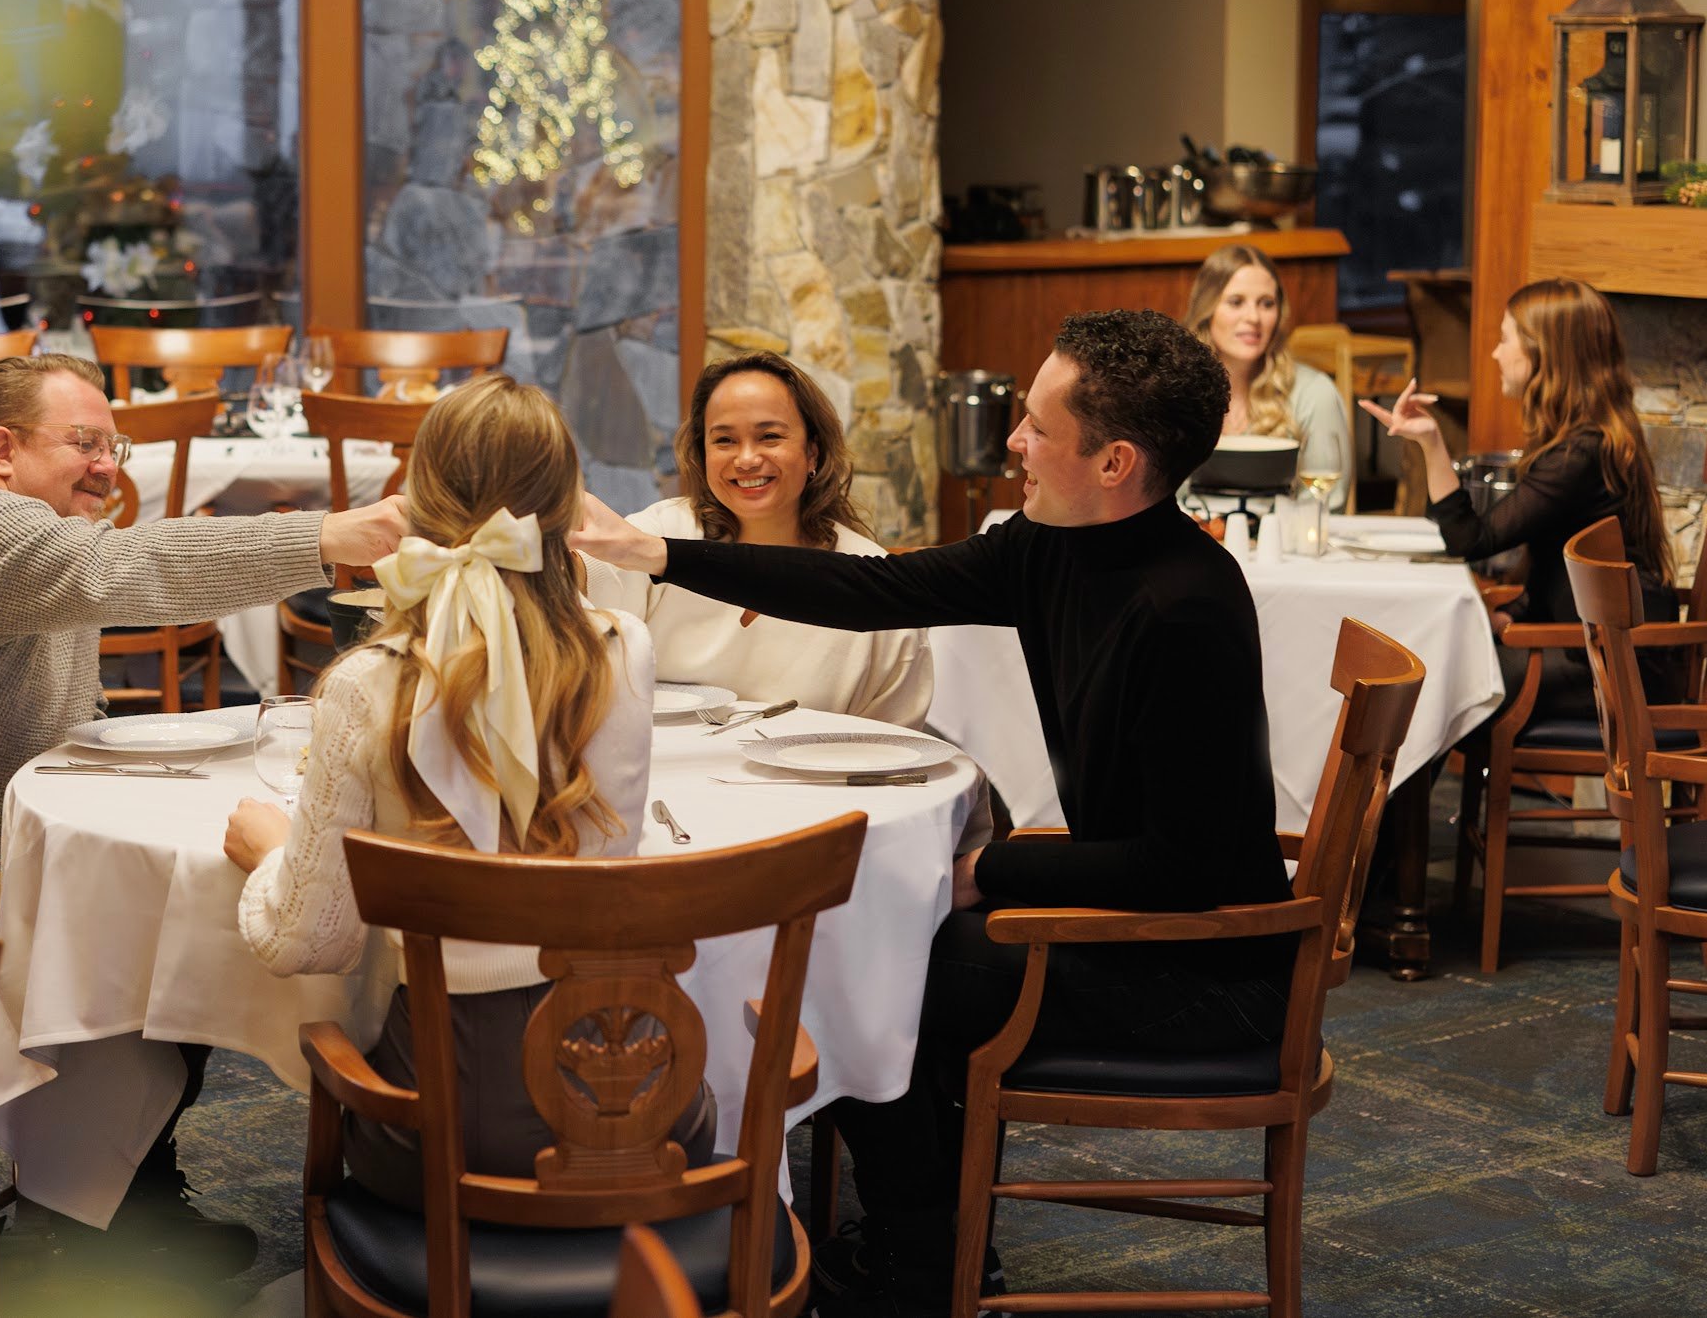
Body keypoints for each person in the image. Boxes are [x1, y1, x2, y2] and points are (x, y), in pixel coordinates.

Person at [574, 310, 1290, 1318]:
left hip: (1203, 964)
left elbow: (1186, 866)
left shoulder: (1185, 610)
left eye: (1036, 426)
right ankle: (925, 1238)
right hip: (1126, 914)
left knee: (881, 965)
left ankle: (922, 1264)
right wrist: (656, 555)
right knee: (882, 945)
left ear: (1115, 459)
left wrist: (989, 871)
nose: (1012, 442)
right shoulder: (1051, 545)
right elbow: (871, 588)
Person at [0, 351, 406, 1257]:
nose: (109, 465)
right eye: (82, 443)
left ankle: (120, 1192)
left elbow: (73, 689)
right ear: (3, 450)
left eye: (115, 444)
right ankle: (95, 1220)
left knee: (169, 915)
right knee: (134, 936)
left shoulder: (44, 533)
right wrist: (324, 537)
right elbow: (141, 566)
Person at [223, 374, 715, 1205]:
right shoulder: (623, 649)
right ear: (568, 504)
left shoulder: (370, 684)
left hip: (444, 1117)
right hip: (633, 1099)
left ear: (417, 499)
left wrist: (273, 853)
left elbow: (306, 941)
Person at [1360, 276, 1676, 720]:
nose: (1495, 354)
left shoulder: (1579, 454)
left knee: (1427, 685)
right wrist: (1514, 613)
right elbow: (1554, 561)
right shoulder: (1584, 440)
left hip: (1614, 667)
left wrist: (1432, 444)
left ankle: (1365, 790)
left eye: (1506, 339)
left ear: (1543, 354)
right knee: (1423, 673)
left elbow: (1469, 540)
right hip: (1592, 648)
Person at [583, 351, 931, 727]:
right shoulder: (662, 531)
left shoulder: (869, 577)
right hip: (665, 777)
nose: (746, 459)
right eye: (725, 440)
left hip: (813, 784)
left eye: (769, 436)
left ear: (812, 451)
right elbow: (585, 590)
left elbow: (893, 745)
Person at [1184, 243, 1351, 503]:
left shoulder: (1314, 393)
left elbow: (1327, 505)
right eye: (1236, 302)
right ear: (1207, 310)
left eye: (1266, 303)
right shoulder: (1177, 392)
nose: (1253, 317)